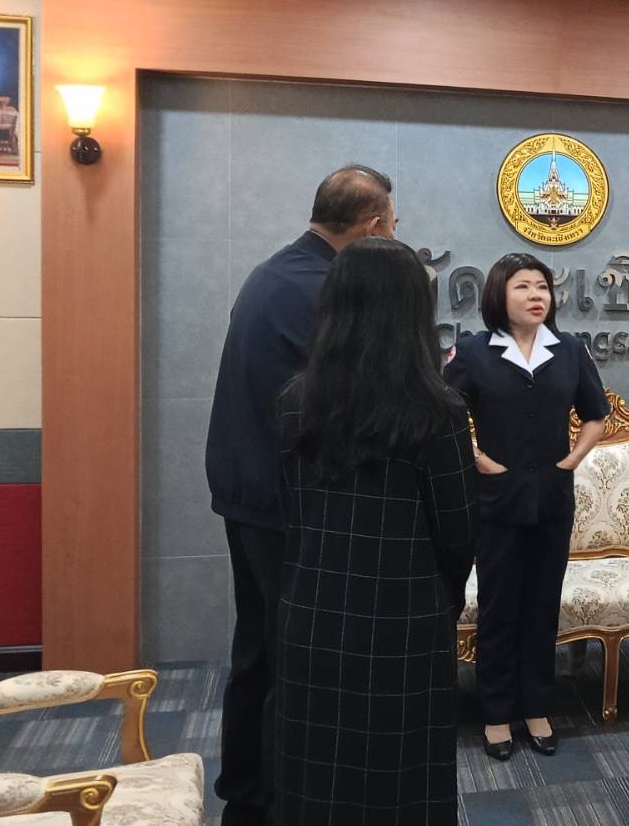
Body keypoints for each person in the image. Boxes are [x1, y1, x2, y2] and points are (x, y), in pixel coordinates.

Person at [205, 164, 396, 826]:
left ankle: (246, 794)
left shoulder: (273, 272)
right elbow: (347, 405)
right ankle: (283, 802)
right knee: (298, 663)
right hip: (290, 504)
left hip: (247, 493)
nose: (393, 237)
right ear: (371, 227)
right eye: (392, 227)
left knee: (258, 653)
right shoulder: (324, 289)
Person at [275, 237, 477, 826]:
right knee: (404, 775)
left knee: (316, 771)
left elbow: (292, 511)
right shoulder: (439, 409)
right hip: (405, 616)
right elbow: (459, 530)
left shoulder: (295, 400)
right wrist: (442, 599)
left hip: (311, 609)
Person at [443, 252, 610, 762]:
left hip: (553, 502)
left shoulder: (570, 350)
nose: (537, 295)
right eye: (523, 286)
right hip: (496, 502)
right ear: (499, 294)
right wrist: (477, 459)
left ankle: (536, 708)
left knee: (541, 606)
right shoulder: (474, 352)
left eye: (542, 286)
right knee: (498, 609)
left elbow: (596, 414)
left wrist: (572, 460)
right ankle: (496, 714)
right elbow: (443, 414)